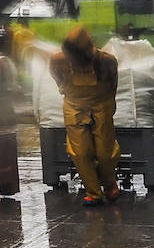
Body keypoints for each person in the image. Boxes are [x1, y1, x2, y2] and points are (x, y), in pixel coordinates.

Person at [50, 25, 120, 207]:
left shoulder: (107, 61)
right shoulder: (58, 60)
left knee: (105, 152)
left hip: (101, 104)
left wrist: (107, 106)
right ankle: (93, 192)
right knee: (80, 152)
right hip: (74, 105)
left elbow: (113, 85)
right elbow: (57, 77)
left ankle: (109, 182)